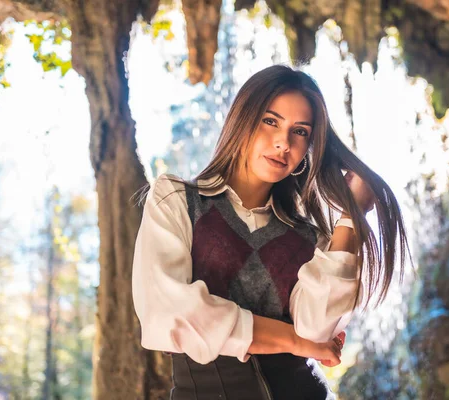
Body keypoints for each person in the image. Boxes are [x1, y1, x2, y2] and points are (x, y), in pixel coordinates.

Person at [132, 65, 411, 400]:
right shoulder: (176, 200)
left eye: (301, 132)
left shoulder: (313, 240)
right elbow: (171, 313)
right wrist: (294, 340)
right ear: (242, 119)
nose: (283, 142)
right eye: (270, 121)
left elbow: (317, 331)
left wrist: (351, 218)